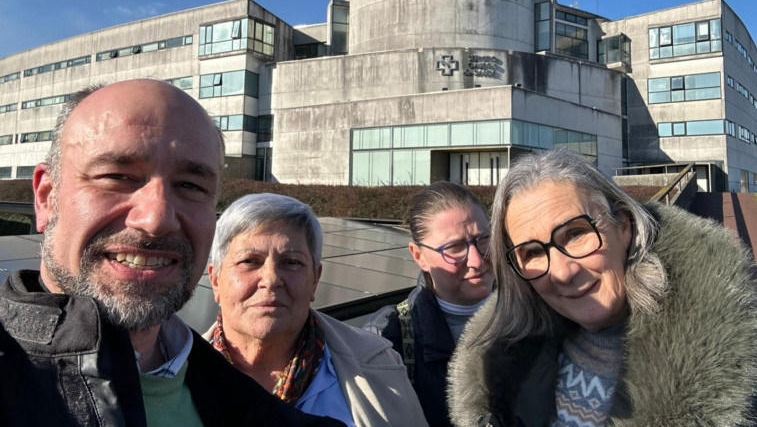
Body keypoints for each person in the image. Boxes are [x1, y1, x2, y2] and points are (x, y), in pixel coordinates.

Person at [0, 79, 343, 426]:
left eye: (190, 185)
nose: (157, 218)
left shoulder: (247, 404)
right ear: (46, 198)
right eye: (117, 176)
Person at [448, 148, 757, 427]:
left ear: (623, 226)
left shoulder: (739, 351)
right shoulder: (506, 365)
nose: (561, 271)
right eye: (533, 252)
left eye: (575, 234)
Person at [205, 193, 428, 427]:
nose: (271, 279)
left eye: (292, 262)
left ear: (315, 280)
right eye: (250, 261)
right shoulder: (173, 376)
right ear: (215, 279)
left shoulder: (379, 365)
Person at [362, 181, 494, 427]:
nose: (476, 260)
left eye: (484, 239)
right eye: (454, 248)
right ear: (418, 256)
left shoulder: (532, 315)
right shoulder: (387, 341)